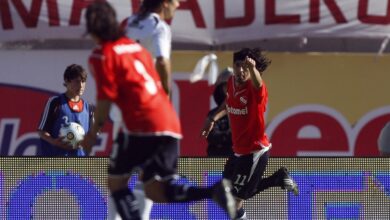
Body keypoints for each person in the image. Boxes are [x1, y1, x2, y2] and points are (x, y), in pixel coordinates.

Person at [81, 2, 236, 220]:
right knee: (155, 190)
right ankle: (212, 191)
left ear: (94, 32)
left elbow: (104, 101)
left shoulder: (101, 55)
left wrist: (91, 135)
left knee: (116, 182)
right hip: (168, 120)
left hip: (138, 122)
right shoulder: (138, 50)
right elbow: (157, 71)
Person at [201, 48, 299, 220]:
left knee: (236, 201)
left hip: (253, 152)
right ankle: (277, 179)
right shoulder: (231, 82)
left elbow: (258, 83)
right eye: (238, 65)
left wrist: (253, 69)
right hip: (238, 151)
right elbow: (227, 103)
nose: (240, 70)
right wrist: (213, 119)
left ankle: (276, 179)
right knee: (227, 190)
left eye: (245, 67)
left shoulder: (255, 90)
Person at [122, 0, 179, 96]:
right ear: (165, 2)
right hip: (144, 91)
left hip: (121, 91)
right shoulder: (160, 27)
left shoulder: (127, 22)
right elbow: (162, 62)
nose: (178, 4)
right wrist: (166, 92)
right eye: (175, 1)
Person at [37, 64, 93, 157]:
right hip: (56, 164)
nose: (81, 85)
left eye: (83, 81)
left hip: (78, 165)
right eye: (77, 81)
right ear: (67, 81)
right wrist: (54, 142)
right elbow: (41, 131)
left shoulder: (88, 107)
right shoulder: (55, 102)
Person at [206, 67, 234, 157]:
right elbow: (212, 136)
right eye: (226, 86)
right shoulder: (213, 115)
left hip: (238, 164)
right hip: (217, 164)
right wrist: (230, 135)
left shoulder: (245, 113)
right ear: (220, 89)